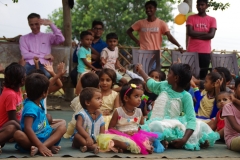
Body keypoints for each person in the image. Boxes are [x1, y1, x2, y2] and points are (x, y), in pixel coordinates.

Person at [137, 63, 219, 150]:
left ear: (176, 78)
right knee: (155, 125)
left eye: (170, 73)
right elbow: (151, 83)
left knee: (200, 125)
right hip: (155, 123)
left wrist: (184, 139)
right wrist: (140, 71)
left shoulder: (186, 96)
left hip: (172, 125)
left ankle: (174, 141)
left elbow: (191, 120)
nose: (167, 75)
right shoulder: (164, 85)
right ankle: (166, 141)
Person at [97, 84, 164, 154]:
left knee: (150, 139)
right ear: (126, 98)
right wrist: (124, 133)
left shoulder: (139, 111)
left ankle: (143, 146)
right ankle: (134, 147)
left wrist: (137, 131)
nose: (139, 99)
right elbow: (111, 128)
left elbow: (142, 126)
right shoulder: (118, 111)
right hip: (121, 135)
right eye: (136, 96)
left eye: (140, 97)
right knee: (118, 141)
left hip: (135, 135)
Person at [14, 73, 66, 157]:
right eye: (47, 90)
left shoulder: (39, 100)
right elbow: (27, 128)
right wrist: (40, 145)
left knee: (62, 128)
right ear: (44, 93)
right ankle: (44, 147)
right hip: (32, 139)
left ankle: (42, 147)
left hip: (46, 135)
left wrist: (57, 75)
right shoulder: (30, 107)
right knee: (18, 134)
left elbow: (48, 84)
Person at [19, 13, 65, 78]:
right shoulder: (23, 38)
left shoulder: (48, 36)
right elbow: (25, 55)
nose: (34, 27)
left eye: (36, 24)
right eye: (31, 25)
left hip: (44, 64)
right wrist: (43, 56)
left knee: (46, 76)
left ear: (40, 23)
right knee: (21, 74)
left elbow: (61, 39)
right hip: (30, 63)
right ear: (28, 24)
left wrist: (50, 24)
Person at [186, 0, 217, 79]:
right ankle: (191, 91)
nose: (200, 7)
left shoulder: (212, 19)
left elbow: (211, 35)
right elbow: (190, 32)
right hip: (192, 51)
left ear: (206, 6)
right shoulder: (191, 18)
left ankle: (201, 91)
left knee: (203, 76)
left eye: (202, 5)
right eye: (198, 5)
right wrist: (205, 33)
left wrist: (195, 35)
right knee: (190, 75)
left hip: (205, 52)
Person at [64, 72, 100, 138]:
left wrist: (81, 77)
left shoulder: (81, 95)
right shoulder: (97, 98)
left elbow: (77, 91)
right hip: (88, 124)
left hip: (76, 123)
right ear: (98, 86)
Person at [0, 63, 25, 153]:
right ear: (21, 80)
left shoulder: (17, 90)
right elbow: (12, 119)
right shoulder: (10, 94)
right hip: (5, 127)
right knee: (12, 128)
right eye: (24, 77)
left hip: (16, 123)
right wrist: (25, 129)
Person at [72, 87, 104, 154]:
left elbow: (102, 128)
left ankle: (85, 147)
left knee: (106, 141)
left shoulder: (100, 115)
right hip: (82, 138)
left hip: (94, 139)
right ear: (88, 102)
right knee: (77, 136)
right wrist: (87, 137)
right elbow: (78, 126)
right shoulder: (82, 114)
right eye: (98, 99)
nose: (101, 101)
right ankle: (92, 147)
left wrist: (101, 139)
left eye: (101, 99)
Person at [222, 77, 240, 152]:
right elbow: (235, 126)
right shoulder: (228, 107)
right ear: (235, 89)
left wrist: (235, 100)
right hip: (233, 139)